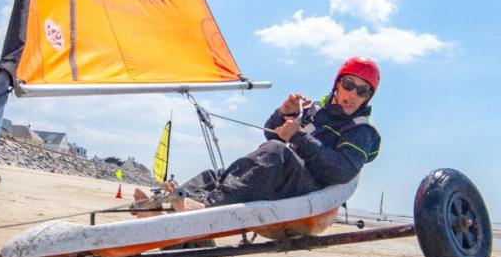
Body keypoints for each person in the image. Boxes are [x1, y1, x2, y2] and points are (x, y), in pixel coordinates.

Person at [134, 56, 381, 213]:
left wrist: (297, 137)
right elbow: (271, 135)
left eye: (362, 91)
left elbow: (342, 171)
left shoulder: (361, 131)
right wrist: (283, 113)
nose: (352, 95)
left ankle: (204, 208)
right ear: (337, 84)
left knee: (276, 152)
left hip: (311, 192)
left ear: (368, 97)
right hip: (283, 176)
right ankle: (165, 205)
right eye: (348, 85)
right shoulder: (314, 111)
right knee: (219, 174)